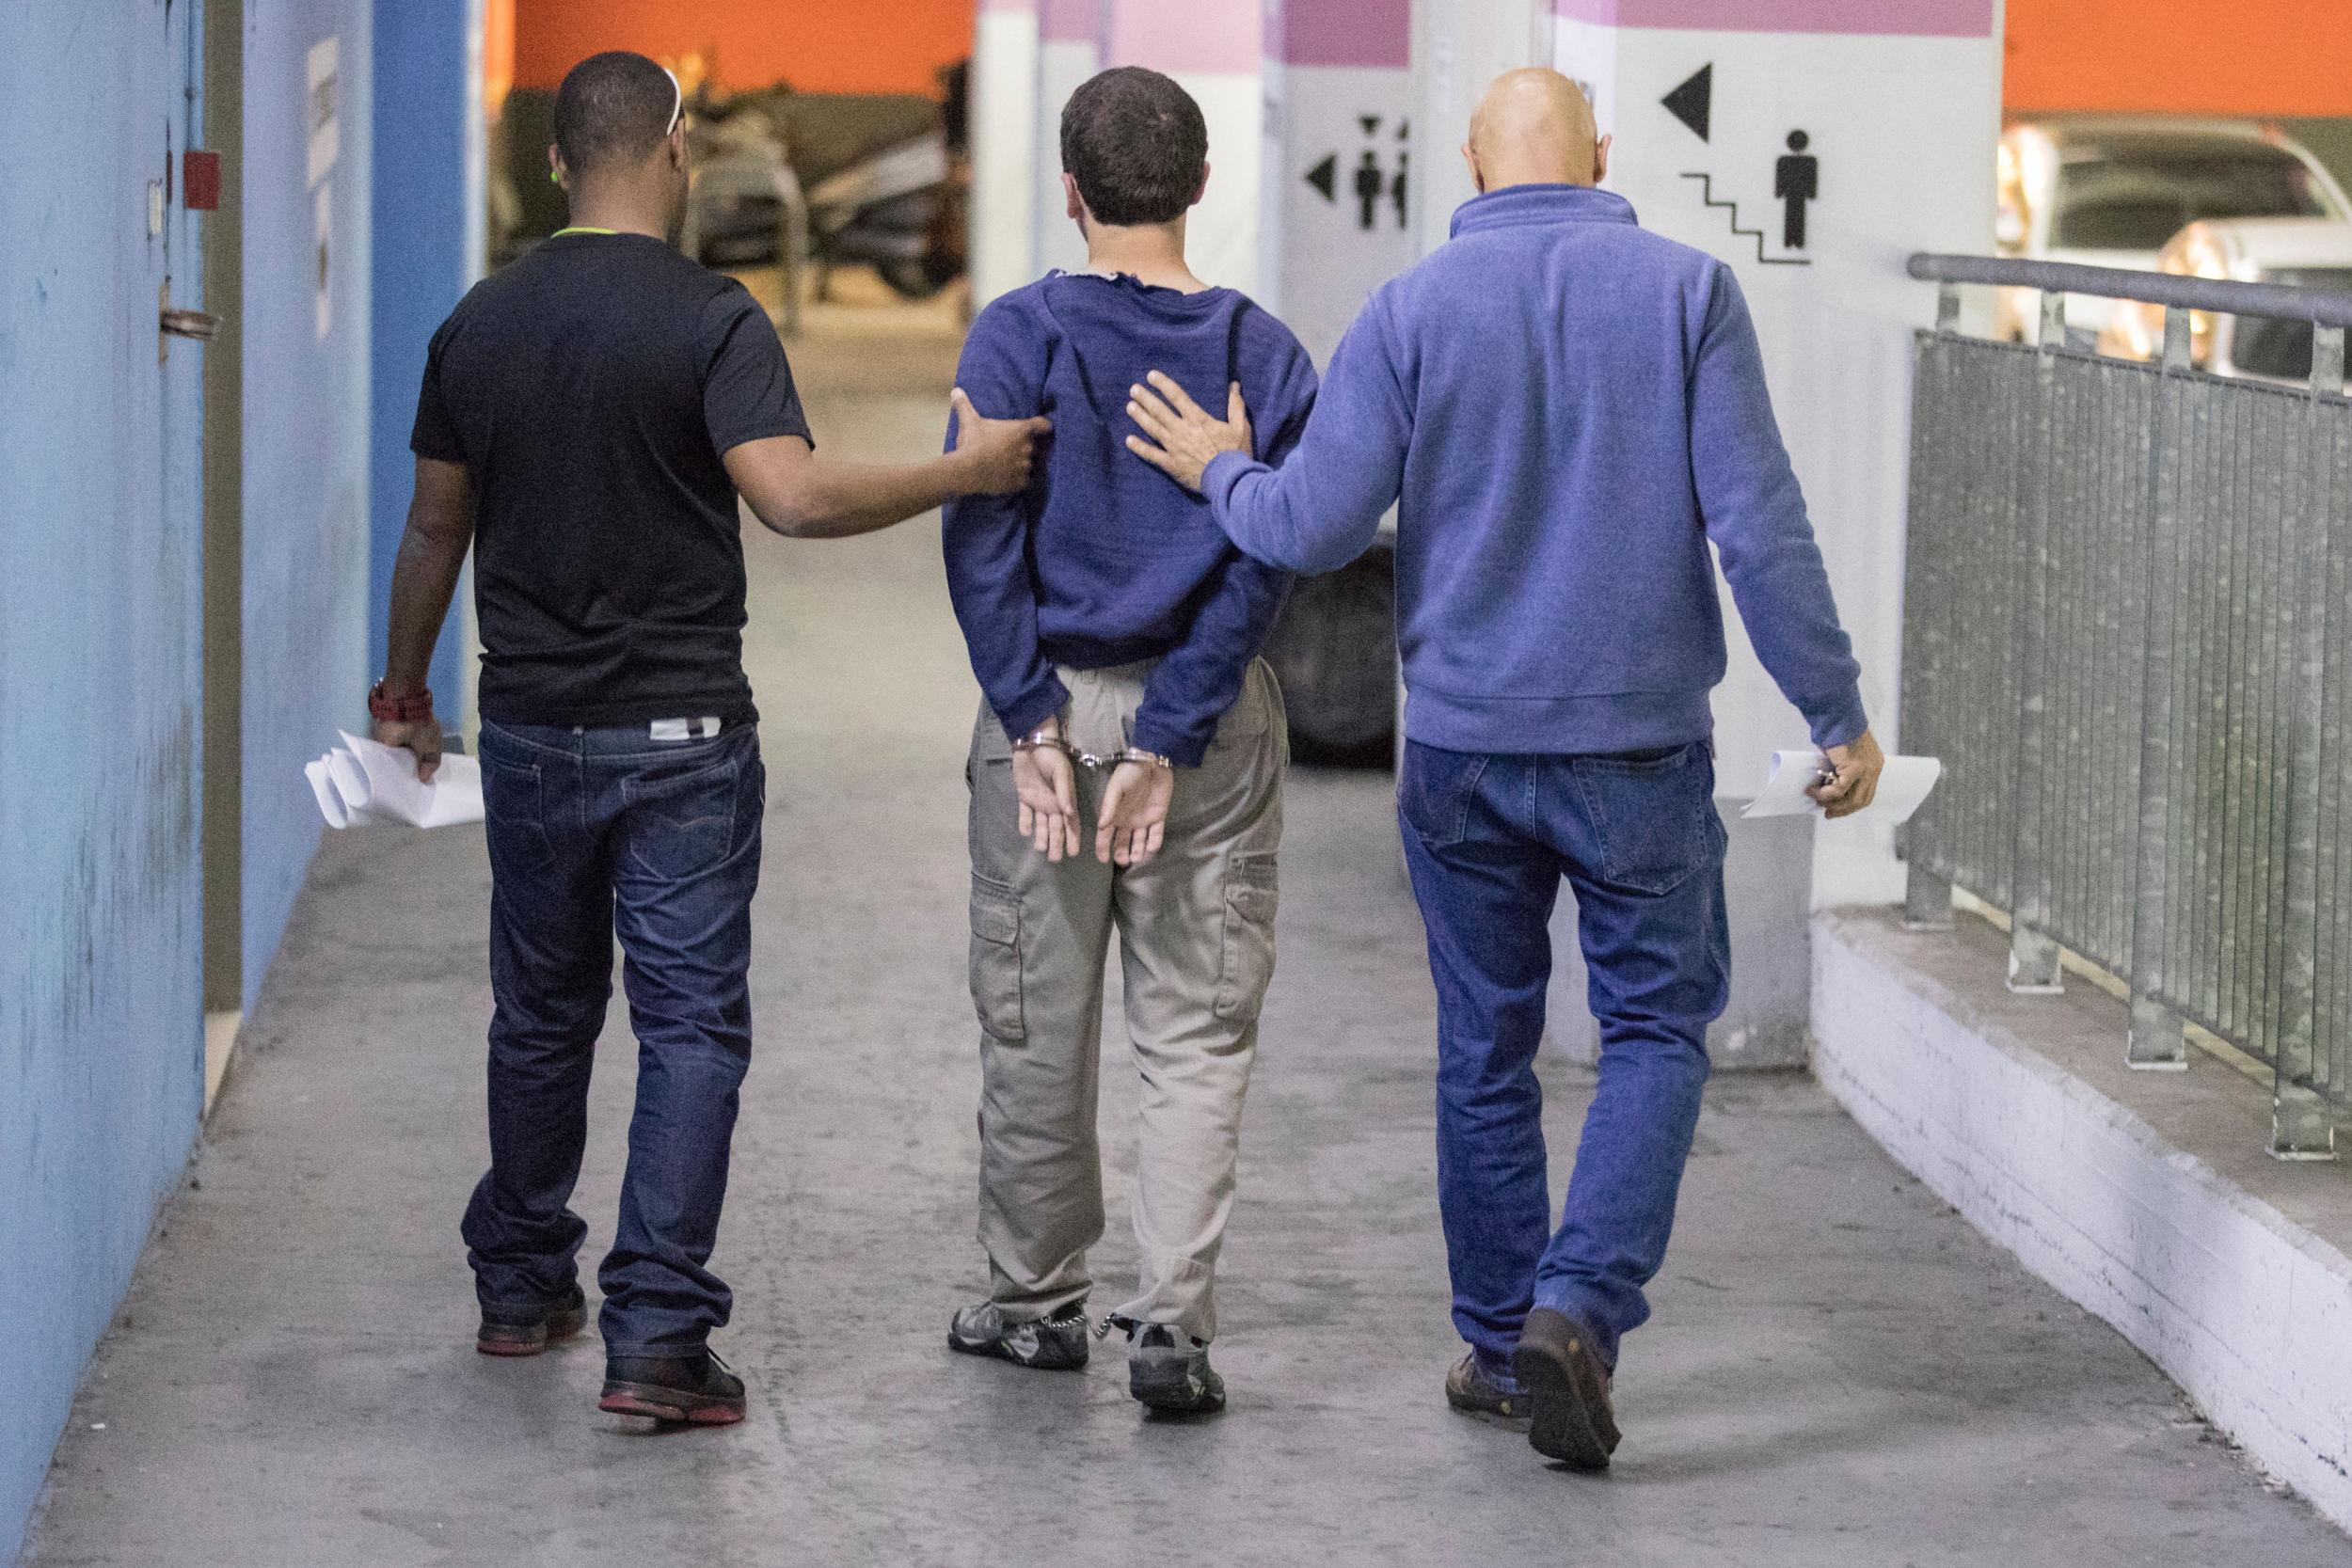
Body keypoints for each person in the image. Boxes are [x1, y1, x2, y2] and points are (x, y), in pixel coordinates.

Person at [1125, 68, 1883, 1467]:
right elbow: (1761, 533)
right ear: (1599, 156)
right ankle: (1578, 1312)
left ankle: (1495, 1346)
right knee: (1654, 1029)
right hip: (1637, 752)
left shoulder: (1415, 310)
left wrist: (1225, 468)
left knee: (1486, 1044)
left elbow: (1306, 524)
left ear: (1471, 172)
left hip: (1464, 753)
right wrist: (1836, 712)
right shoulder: (1685, 294)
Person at [371, 50, 1046, 1427]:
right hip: (681, 740)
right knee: (687, 1028)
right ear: (676, 155)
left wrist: (404, 691)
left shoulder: (476, 323)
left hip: (535, 729)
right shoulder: (711, 317)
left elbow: (436, 526)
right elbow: (791, 501)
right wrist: (968, 472)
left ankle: (517, 1288)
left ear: (557, 163)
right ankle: (660, 1341)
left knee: (542, 1013)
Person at [938, 66, 1318, 1416]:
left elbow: (979, 541)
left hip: (1044, 718)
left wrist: (1035, 719)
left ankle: (1037, 1305)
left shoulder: (1015, 336)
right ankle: (1170, 1328)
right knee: (1196, 1031)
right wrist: (1169, 730)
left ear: (1071, 188)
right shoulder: (1264, 357)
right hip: (1208, 728)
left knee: (1037, 1020)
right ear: (1201, 186)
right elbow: (1264, 568)